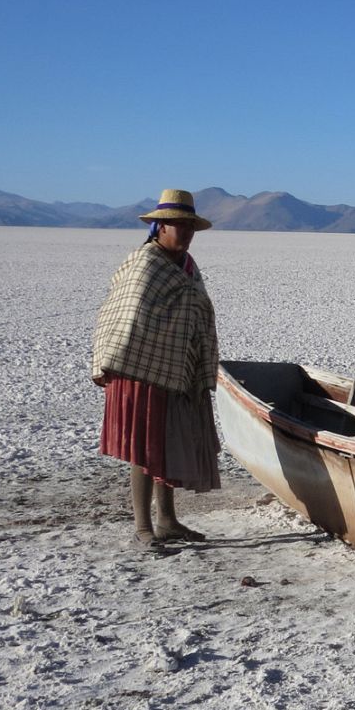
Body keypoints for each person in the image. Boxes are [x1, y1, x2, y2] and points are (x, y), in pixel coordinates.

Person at [91, 189, 221, 549]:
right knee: (144, 448)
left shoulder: (187, 267)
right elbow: (124, 315)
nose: (186, 233)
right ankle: (142, 527)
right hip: (141, 367)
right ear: (159, 227)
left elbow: (194, 311)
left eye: (190, 226)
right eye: (179, 226)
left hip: (179, 366)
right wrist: (113, 360)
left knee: (167, 443)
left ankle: (167, 521)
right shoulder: (146, 263)